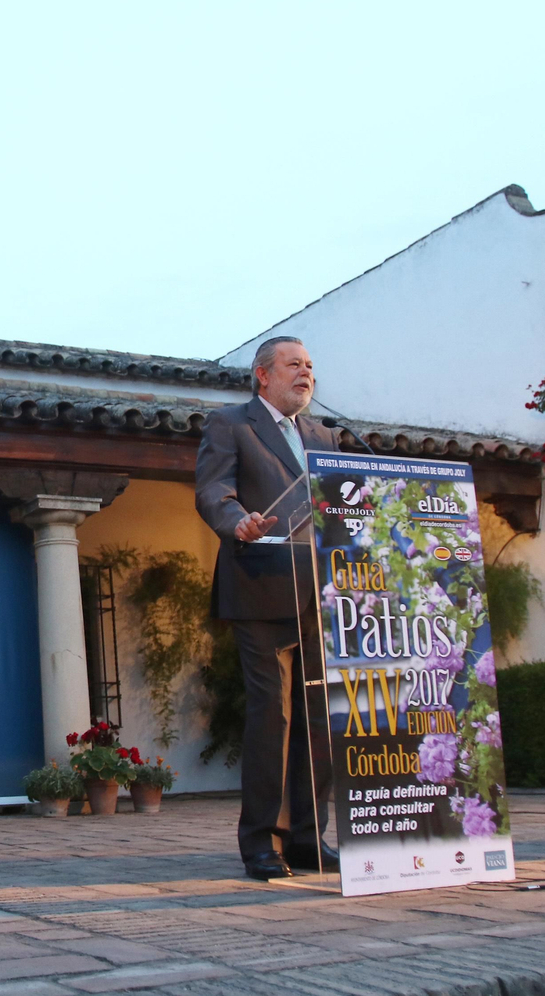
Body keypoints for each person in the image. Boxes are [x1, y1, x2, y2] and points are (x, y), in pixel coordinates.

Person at [194, 336, 339, 881]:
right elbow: (213, 491)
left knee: (318, 719)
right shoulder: (231, 424)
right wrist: (239, 522)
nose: (306, 373)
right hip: (259, 589)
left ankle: (308, 838)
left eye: (310, 365)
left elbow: (343, 504)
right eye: (294, 365)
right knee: (273, 717)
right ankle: (263, 841)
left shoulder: (325, 436)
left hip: (319, 596)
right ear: (263, 376)